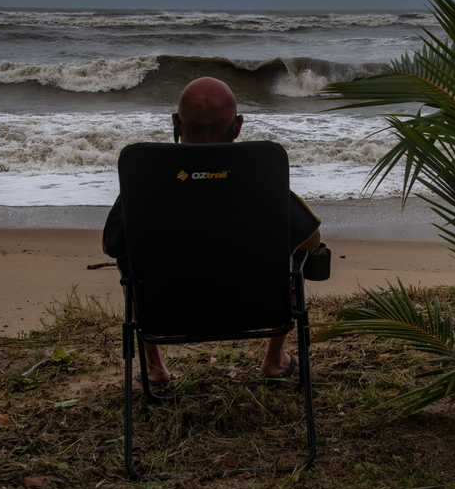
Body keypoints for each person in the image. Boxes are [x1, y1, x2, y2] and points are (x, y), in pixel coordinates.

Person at [102, 77, 321, 385]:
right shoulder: (260, 175)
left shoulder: (147, 177)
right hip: (256, 309)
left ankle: (154, 368)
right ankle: (274, 360)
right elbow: (312, 239)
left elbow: (111, 246)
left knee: (128, 260)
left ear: (176, 123)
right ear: (238, 125)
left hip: (167, 311)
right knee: (297, 252)